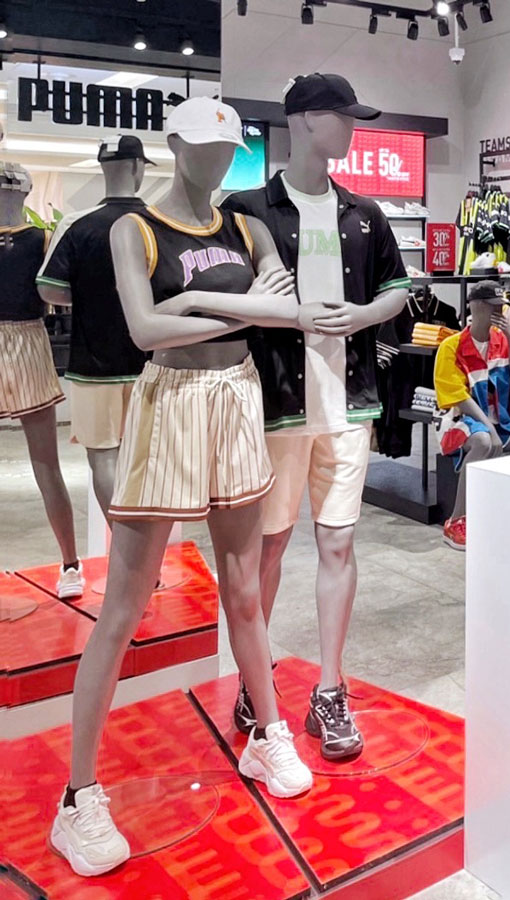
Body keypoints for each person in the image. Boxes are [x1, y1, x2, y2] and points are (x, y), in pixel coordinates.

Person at [51, 97, 320, 879]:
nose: (216, 159)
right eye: (203, 145)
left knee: (244, 585)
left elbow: (288, 313)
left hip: (236, 396)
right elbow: (145, 331)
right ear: (173, 143)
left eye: (227, 147)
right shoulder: (135, 228)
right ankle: (77, 796)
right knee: (124, 605)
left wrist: (196, 302)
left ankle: (266, 734)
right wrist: (238, 310)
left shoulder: (246, 226)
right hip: (168, 400)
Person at [221, 73, 411, 761]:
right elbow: (225, 301)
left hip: (347, 402)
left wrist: (363, 316)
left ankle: (330, 688)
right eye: (342, 116)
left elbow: (396, 291)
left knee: (338, 544)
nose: (352, 129)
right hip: (276, 404)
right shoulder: (246, 209)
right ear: (303, 119)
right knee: (268, 547)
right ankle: (256, 677)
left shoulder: (365, 212)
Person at [37, 136, 153, 517]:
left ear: (103, 168)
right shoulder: (158, 222)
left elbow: (49, 289)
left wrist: (89, 296)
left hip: (94, 364)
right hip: (154, 363)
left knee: (104, 457)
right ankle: (146, 541)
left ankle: (123, 539)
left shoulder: (76, 224)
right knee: (149, 458)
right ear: (137, 167)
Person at [0, 162, 81, 598]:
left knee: (46, 464)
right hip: (29, 340)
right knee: (47, 465)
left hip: (30, 341)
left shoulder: (44, 239)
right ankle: (70, 563)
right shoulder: (44, 238)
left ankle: (70, 562)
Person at [434, 280, 510, 550]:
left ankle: (506, 515)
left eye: (500, 307)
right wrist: (489, 428)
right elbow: (458, 399)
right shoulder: (451, 346)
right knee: (484, 441)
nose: (498, 312)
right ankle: (456, 521)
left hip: (500, 420)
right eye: (492, 306)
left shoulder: (501, 341)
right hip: (457, 421)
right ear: (477, 307)